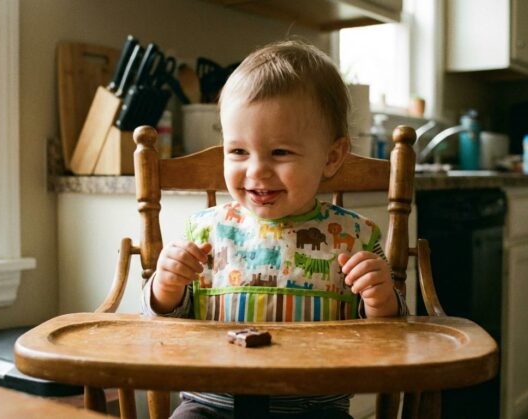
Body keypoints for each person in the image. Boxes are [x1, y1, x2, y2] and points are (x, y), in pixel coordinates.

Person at [142, 39, 407, 419]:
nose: (256, 171)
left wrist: (382, 301)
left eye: (280, 153)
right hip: (211, 405)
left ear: (331, 157)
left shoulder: (354, 236)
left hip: (314, 408)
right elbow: (157, 326)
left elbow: (393, 337)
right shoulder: (205, 231)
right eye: (237, 151)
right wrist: (164, 289)